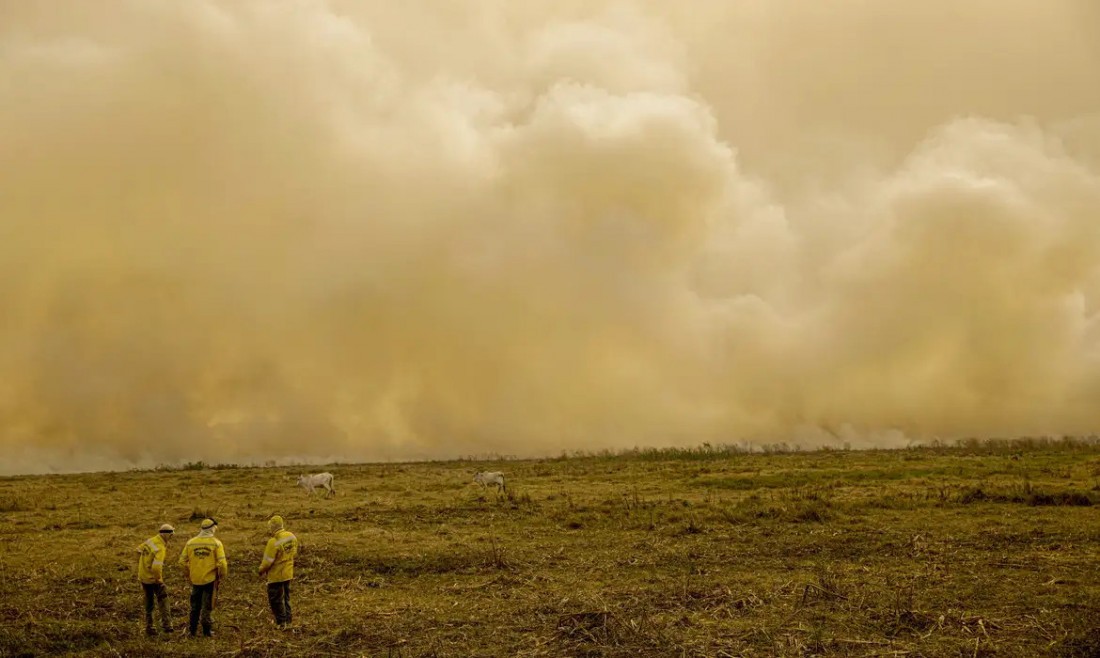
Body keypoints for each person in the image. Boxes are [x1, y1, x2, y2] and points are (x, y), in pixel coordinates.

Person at [178, 518, 228, 637]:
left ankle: (192, 631)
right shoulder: (216, 543)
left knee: (194, 606)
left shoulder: (190, 543)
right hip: (210, 580)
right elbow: (222, 564)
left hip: (195, 580)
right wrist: (221, 575)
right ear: (213, 528)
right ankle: (207, 631)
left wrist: (189, 575)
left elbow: (181, 562)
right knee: (207, 606)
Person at [258, 515, 298, 628]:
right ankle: (288, 621)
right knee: (286, 598)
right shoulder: (292, 536)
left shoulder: (273, 541)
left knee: (276, 600)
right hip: (288, 573)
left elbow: (267, 562)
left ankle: (281, 623)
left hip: (276, 576)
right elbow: (294, 552)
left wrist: (260, 570)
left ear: (272, 526)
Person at [136, 523, 175, 636]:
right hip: (153, 579)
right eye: (171, 535)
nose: (172, 537)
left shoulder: (150, 541)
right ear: (166, 534)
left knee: (149, 602)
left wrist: (143, 566)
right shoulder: (160, 548)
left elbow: (138, 550)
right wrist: (159, 580)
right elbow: (156, 567)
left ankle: (150, 627)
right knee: (164, 601)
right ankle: (167, 626)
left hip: (143, 577)